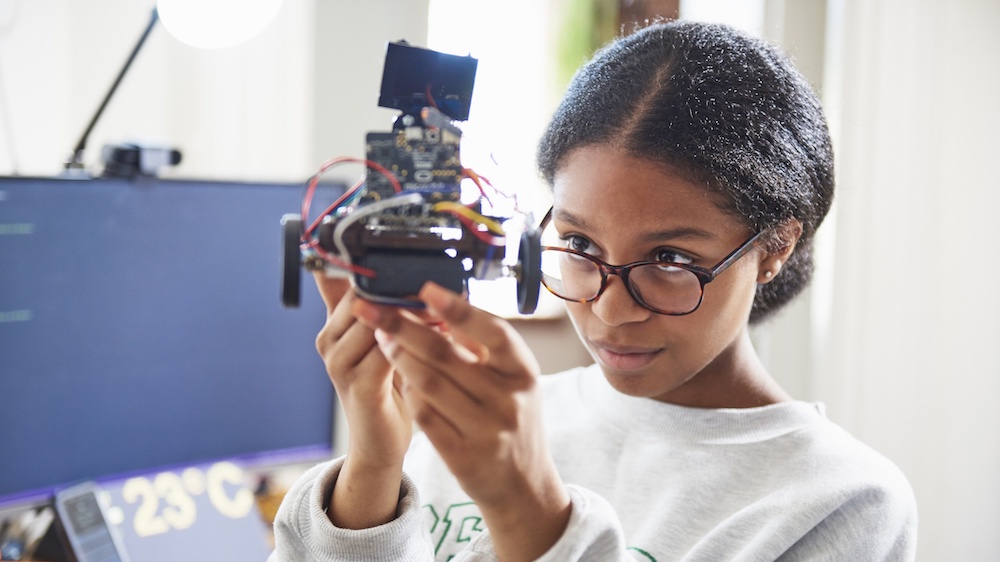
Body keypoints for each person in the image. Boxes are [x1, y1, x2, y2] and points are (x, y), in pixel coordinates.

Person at [270, 20, 918, 561]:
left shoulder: (843, 501)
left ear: (774, 247)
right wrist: (375, 468)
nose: (609, 309)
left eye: (669, 257)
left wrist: (527, 508)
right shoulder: (484, 420)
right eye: (579, 246)